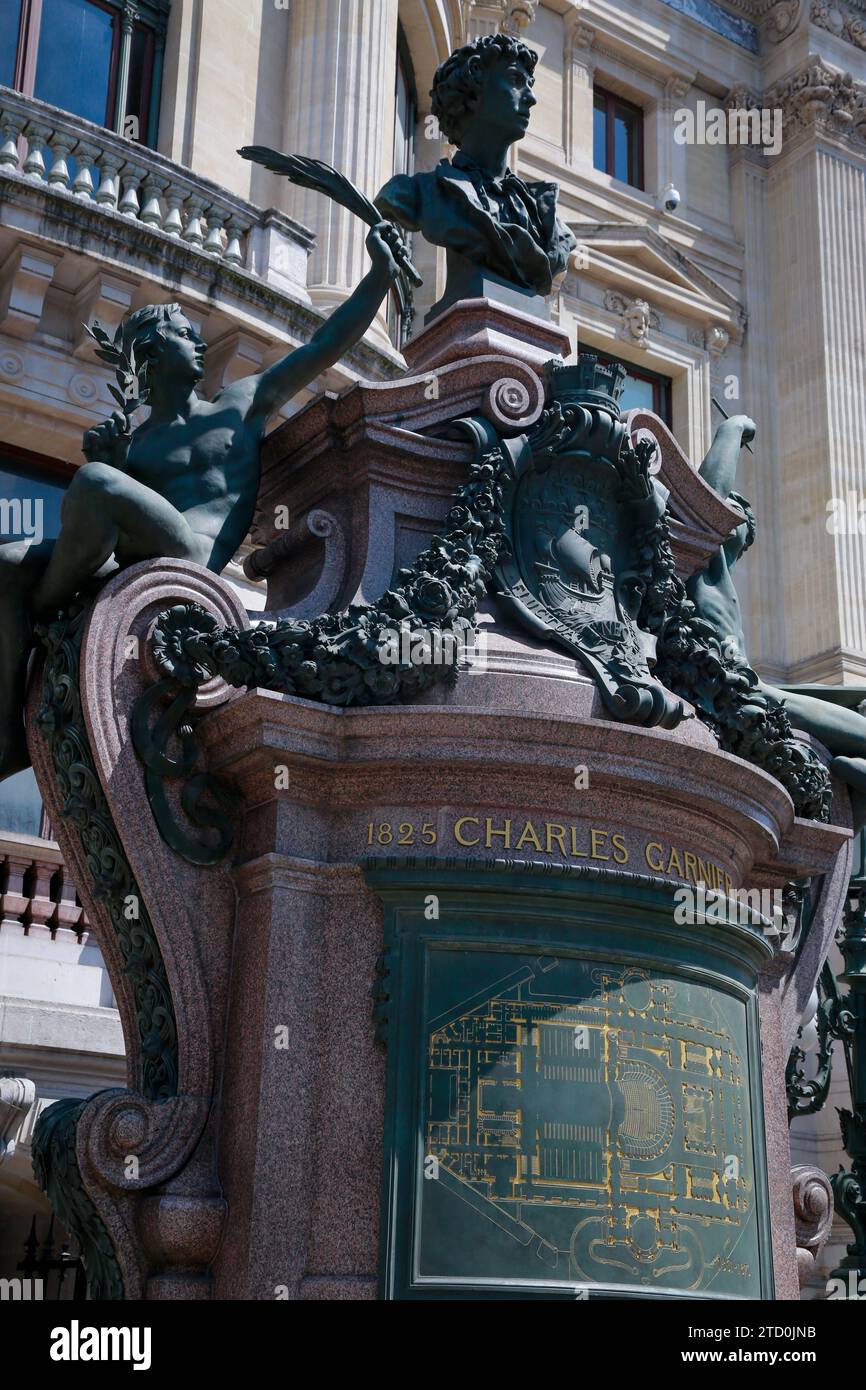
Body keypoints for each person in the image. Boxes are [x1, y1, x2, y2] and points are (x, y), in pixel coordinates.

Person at [0, 221, 407, 780]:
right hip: (141, 565)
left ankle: (43, 606)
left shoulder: (237, 404)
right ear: (151, 353)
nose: (197, 339)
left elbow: (320, 348)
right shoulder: (137, 445)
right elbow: (108, 536)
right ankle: (8, 734)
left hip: (191, 561)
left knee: (94, 484)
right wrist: (115, 462)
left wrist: (379, 278)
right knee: (5, 560)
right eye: (183, 333)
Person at [688, 413, 866, 827]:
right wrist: (732, 428)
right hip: (730, 694)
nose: (731, 514)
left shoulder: (718, 580)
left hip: (743, 692)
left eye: (740, 518)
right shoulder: (700, 563)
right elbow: (706, 505)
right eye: (731, 510)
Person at [376, 33, 575, 314]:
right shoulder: (415, 194)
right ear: (475, 80)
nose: (531, 98)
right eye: (516, 81)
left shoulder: (548, 223)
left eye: (530, 84)